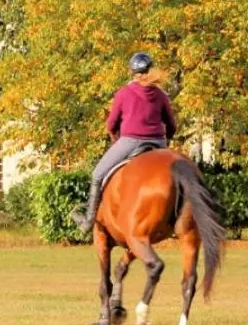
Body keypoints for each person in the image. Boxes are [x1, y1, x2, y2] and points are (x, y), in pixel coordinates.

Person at [71, 52, 178, 234]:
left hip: (131, 141)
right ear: (150, 70)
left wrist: (115, 137)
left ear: (132, 72)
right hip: (158, 143)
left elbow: (111, 123)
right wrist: (164, 142)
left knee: (97, 175)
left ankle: (88, 222)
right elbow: (171, 125)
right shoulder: (161, 95)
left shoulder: (124, 93)